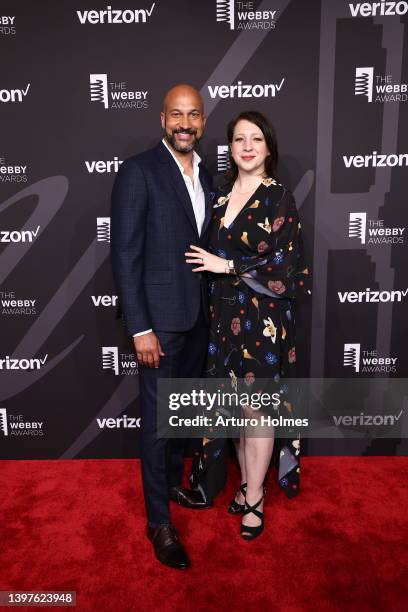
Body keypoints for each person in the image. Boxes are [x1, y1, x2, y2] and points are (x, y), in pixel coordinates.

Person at [185, 110, 309, 540]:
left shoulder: (279, 198)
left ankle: (255, 497)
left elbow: (286, 267)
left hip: (264, 319)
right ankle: (244, 484)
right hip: (225, 318)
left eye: (256, 138)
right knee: (237, 409)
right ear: (231, 148)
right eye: (240, 139)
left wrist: (227, 264)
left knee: (257, 409)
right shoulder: (219, 199)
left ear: (268, 147)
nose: (248, 146)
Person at [110, 84, 214, 570]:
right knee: (155, 424)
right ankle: (159, 522)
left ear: (203, 121)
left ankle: (174, 481)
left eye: (193, 115)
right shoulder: (138, 171)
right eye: (177, 114)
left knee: (180, 418)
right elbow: (126, 253)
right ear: (162, 119)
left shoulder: (208, 174)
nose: (185, 123)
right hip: (159, 324)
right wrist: (139, 328)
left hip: (198, 320)